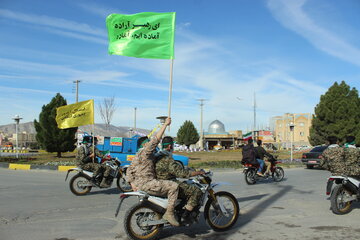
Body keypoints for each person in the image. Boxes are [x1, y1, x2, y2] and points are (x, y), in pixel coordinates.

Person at [126, 117, 181, 226]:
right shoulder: (146, 152)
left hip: (141, 185)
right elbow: (156, 139)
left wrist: (132, 183)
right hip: (148, 184)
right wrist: (165, 125)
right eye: (147, 143)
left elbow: (128, 170)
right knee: (174, 186)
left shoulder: (137, 156)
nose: (149, 144)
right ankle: (169, 213)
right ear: (144, 145)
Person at [154, 136, 205, 223]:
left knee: (185, 185)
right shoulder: (167, 158)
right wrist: (197, 173)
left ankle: (180, 208)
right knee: (197, 191)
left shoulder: (157, 155)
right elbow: (181, 173)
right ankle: (186, 215)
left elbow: (175, 170)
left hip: (159, 182)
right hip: (169, 183)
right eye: (173, 146)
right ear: (170, 146)